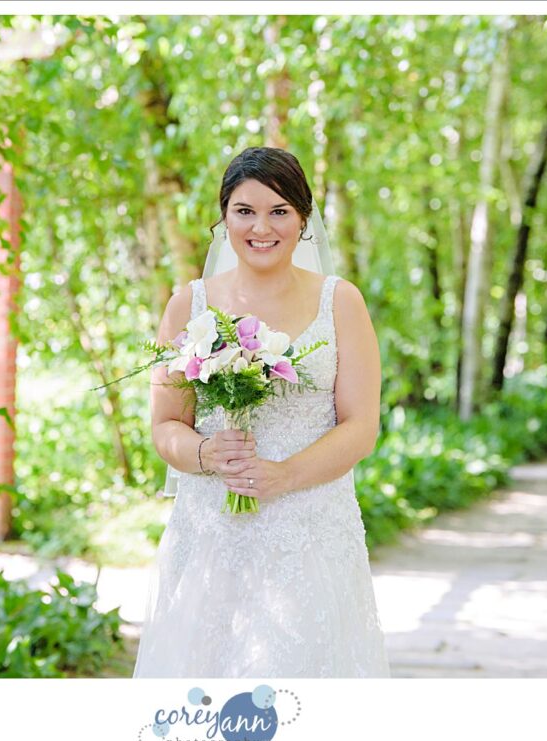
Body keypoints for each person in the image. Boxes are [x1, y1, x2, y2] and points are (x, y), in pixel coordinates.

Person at [133, 146, 390, 677]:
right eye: (244, 211)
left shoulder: (340, 302)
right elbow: (165, 427)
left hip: (312, 530)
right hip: (213, 533)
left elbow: (361, 427)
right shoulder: (190, 305)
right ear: (223, 217)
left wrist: (282, 476)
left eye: (279, 211)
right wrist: (205, 452)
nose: (261, 227)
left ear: (303, 219)